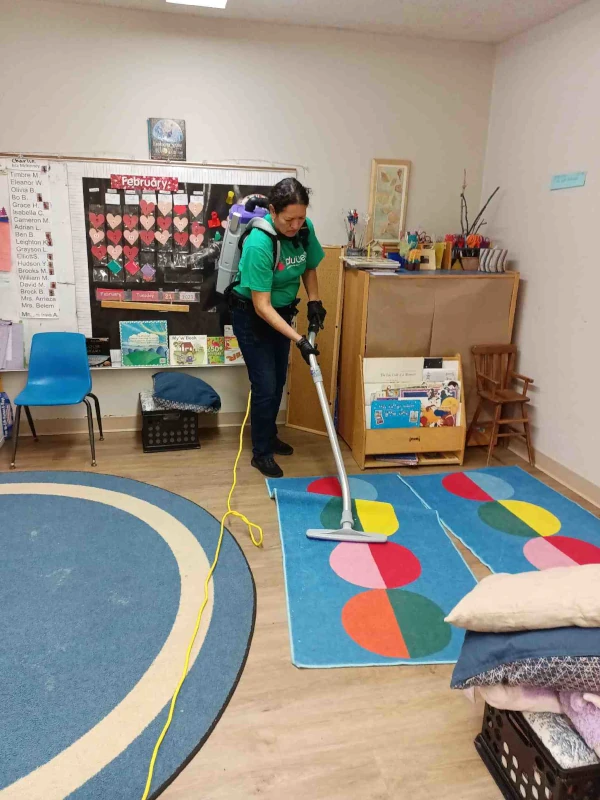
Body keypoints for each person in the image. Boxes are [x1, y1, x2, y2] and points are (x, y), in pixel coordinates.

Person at [230, 177, 326, 478]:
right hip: (252, 316)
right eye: (289, 219)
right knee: (265, 386)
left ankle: (269, 435)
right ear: (273, 210)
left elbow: (309, 266)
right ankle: (261, 453)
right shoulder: (260, 243)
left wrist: (314, 301)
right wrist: (300, 340)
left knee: (278, 381)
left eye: (301, 217)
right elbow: (261, 306)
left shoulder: (304, 229)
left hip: (281, 314)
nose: (296, 225)